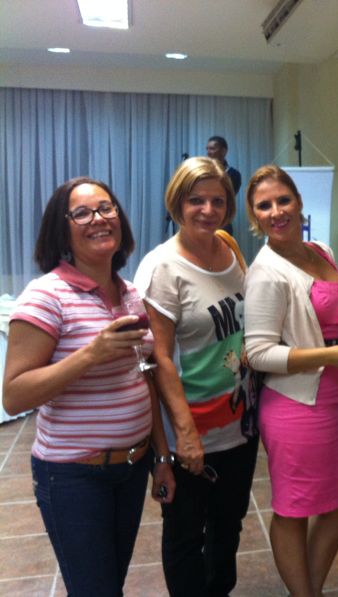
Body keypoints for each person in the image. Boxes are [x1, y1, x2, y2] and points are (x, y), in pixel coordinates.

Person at [2, 177, 174, 597]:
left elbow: (143, 376)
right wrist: (90, 355)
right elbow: (15, 395)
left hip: (130, 469)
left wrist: (161, 456)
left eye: (106, 208)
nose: (98, 219)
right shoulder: (45, 296)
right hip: (73, 476)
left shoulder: (129, 293)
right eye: (81, 213)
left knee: (109, 583)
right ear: (62, 231)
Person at [243, 165, 338, 597]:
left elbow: (327, 310)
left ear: (299, 202)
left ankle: (308, 590)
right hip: (297, 406)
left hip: (337, 400)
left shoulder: (320, 250)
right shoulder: (266, 272)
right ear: (254, 216)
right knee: (294, 510)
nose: (276, 211)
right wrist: (330, 355)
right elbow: (259, 353)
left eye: (283, 200)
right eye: (264, 206)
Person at [135, 157, 258, 596]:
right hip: (192, 434)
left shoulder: (228, 246)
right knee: (186, 535)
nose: (208, 210)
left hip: (240, 424)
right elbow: (159, 359)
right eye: (196, 200)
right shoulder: (162, 268)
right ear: (177, 204)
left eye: (218, 201)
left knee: (228, 525)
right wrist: (184, 435)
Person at [206, 136, 241, 236]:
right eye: (207, 149)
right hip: (202, 222)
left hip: (222, 224)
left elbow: (226, 197)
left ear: (223, 151)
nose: (208, 152)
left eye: (212, 149)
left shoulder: (233, 174)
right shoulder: (201, 173)